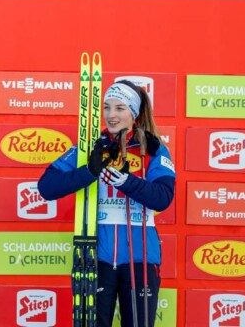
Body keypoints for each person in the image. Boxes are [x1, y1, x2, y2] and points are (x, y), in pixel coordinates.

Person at [37, 80, 175, 327]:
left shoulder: (153, 149)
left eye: (120, 108)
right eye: (107, 107)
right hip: (96, 257)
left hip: (141, 257)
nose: (111, 115)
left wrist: (127, 182)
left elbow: (163, 197)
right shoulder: (90, 146)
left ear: (134, 113)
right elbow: (46, 187)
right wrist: (88, 171)